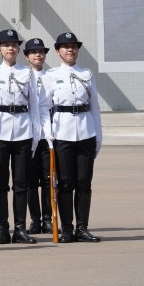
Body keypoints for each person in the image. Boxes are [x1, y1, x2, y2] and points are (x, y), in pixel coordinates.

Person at [38, 32, 103, 243]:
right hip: (62, 133)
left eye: (74, 46)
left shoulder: (87, 74)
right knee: (65, 183)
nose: (70, 50)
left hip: (85, 131)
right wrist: (48, 134)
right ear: (57, 51)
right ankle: (67, 228)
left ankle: (82, 227)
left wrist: (98, 136)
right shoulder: (50, 75)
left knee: (84, 182)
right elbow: (43, 107)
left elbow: (95, 108)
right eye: (65, 47)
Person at [0, 29, 39, 244]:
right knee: (1, 184)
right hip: (0, 132)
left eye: (14, 44)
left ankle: (20, 228)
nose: (11, 48)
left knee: (21, 183)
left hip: (23, 130)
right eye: (6, 45)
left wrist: (35, 133)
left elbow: (34, 106)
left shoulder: (27, 72)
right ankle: (3, 228)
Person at [22, 38, 52, 234]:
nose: (38, 55)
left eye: (41, 51)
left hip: (48, 133)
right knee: (31, 180)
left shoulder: (52, 76)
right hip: (29, 133)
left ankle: (48, 218)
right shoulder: (23, 76)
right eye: (33, 52)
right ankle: (35, 219)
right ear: (27, 56)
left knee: (48, 179)